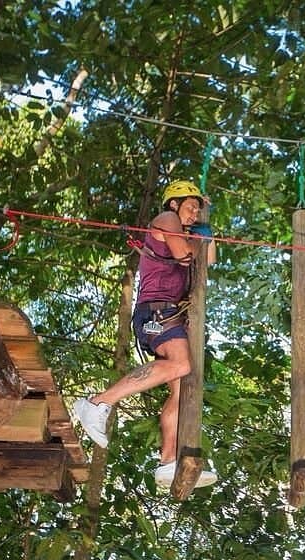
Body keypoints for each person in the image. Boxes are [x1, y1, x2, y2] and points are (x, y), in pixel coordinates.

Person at [75, 180, 217, 489]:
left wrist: (207, 230)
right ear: (173, 204)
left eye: (197, 209)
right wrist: (198, 239)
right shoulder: (166, 220)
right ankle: (98, 403)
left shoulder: (189, 229)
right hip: (156, 311)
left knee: (181, 391)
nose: (193, 214)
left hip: (170, 315)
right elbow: (184, 256)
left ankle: (168, 461)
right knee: (181, 366)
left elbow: (209, 260)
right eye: (190, 207)